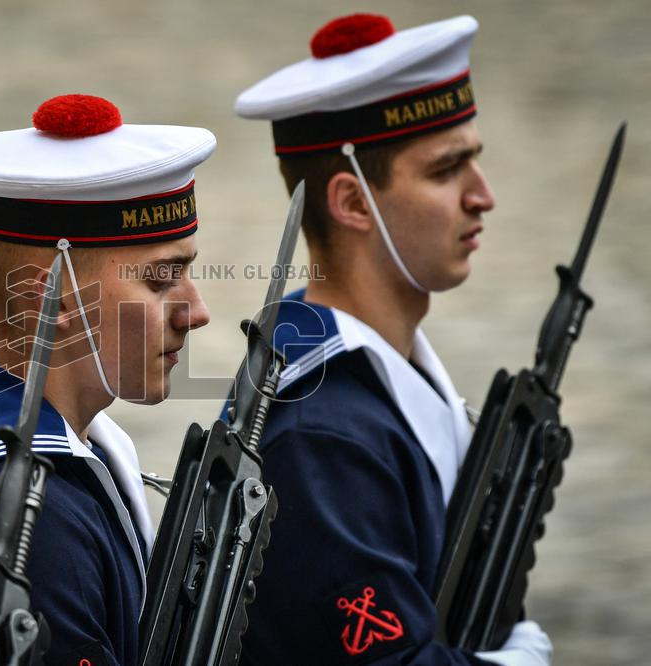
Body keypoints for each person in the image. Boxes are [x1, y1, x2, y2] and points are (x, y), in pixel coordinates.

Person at [232, 14, 553, 665]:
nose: (482, 196)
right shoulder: (322, 430)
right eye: (447, 170)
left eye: (475, 163)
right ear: (352, 202)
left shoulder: (377, 375)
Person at [0, 94, 214, 665]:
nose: (197, 309)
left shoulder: (67, 449)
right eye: (162, 281)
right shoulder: (16, 508)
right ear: (52, 299)